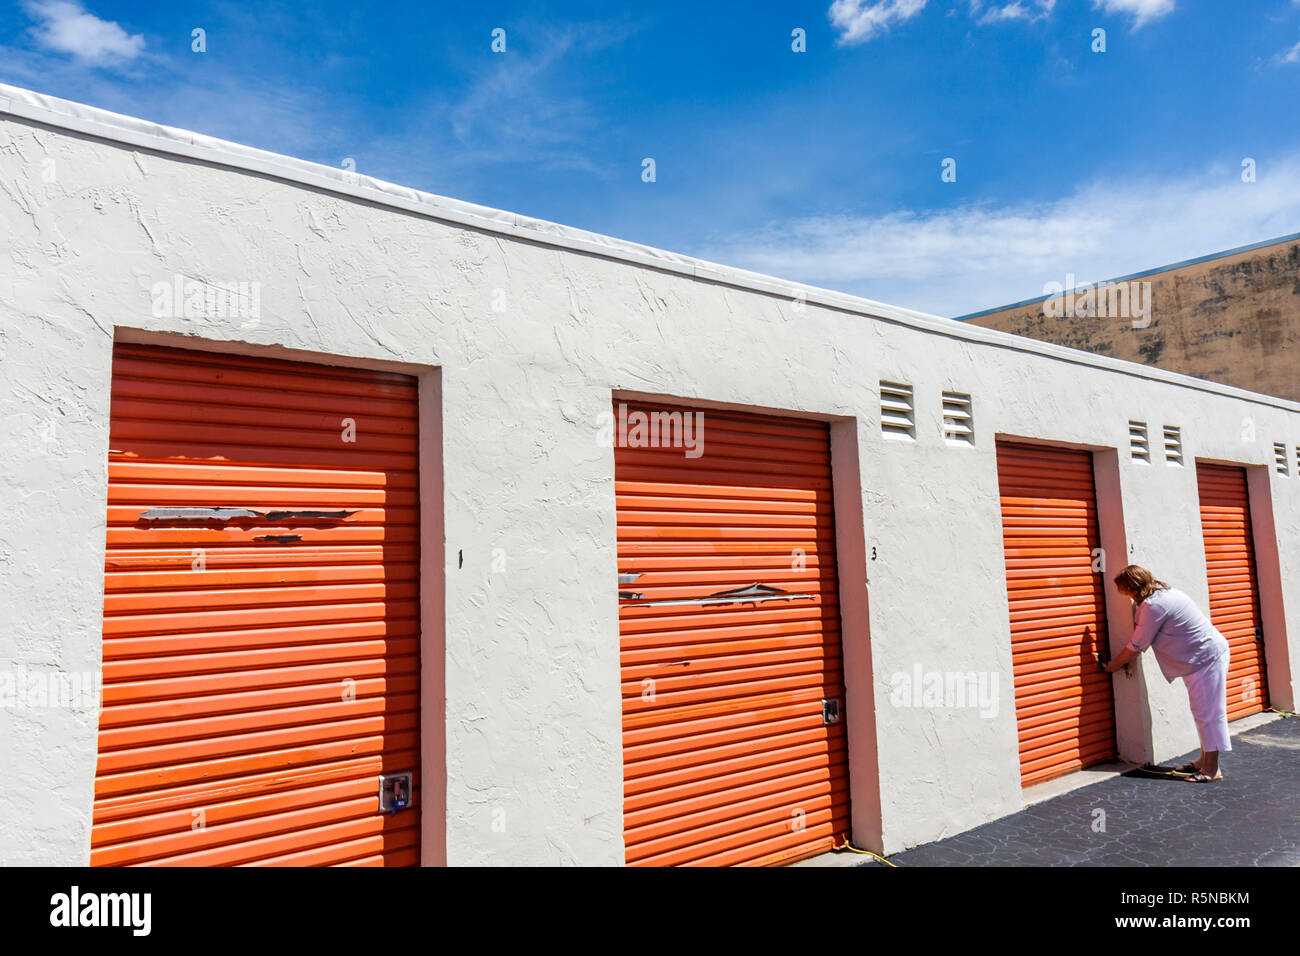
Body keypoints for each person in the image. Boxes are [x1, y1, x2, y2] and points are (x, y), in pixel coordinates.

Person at [1103, 565, 1232, 782]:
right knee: (1203, 712)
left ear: (1133, 587)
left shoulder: (1154, 607)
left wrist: (1112, 666)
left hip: (1206, 659)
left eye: (1124, 590)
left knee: (1209, 714)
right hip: (1201, 659)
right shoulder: (1164, 594)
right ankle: (1203, 761)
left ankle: (1211, 770)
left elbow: (1136, 646)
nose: (1125, 596)